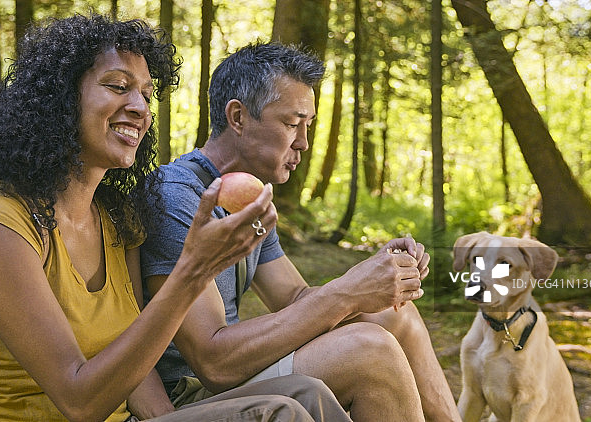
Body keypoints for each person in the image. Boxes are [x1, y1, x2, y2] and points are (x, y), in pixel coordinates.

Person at [0, 15, 352, 422]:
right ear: (60, 98)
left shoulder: (115, 220)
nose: (140, 107)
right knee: (279, 413)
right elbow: (79, 400)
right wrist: (194, 270)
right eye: (118, 87)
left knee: (306, 393)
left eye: (146, 94)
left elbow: (133, 363)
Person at [140, 42, 462, 422]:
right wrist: (348, 292)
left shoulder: (250, 198)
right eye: (292, 124)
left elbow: (294, 297)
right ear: (238, 117)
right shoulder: (178, 197)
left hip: (233, 376)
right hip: (190, 395)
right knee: (369, 351)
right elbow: (215, 362)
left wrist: (370, 277)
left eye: (307, 126)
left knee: (395, 316)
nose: (304, 143)